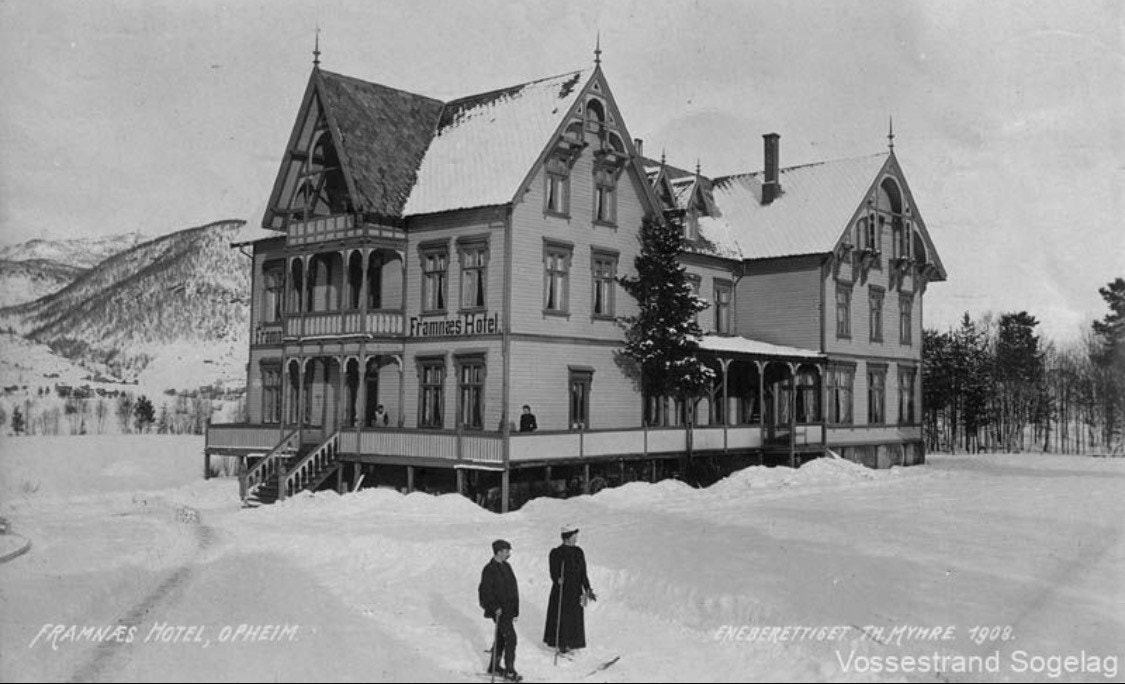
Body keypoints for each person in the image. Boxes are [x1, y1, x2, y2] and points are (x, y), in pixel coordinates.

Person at [543, 525, 596, 654]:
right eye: (574, 536)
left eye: (576, 536)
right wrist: (557, 579)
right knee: (563, 618)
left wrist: (587, 588)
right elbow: (553, 571)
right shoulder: (556, 552)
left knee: (575, 617)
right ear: (567, 538)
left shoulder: (579, 552)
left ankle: (573, 642)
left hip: (576, 590)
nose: (576, 539)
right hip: (562, 591)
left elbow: (583, 572)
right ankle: (562, 645)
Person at [479, 539, 522, 682]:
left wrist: (515, 609)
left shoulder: (507, 566)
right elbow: (485, 592)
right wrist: (493, 607)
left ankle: (494, 666)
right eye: (507, 551)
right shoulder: (489, 569)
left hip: (508, 609)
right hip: (499, 611)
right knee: (511, 638)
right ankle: (510, 670)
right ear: (499, 552)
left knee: (501, 638)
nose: (509, 553)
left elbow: (513, 588)